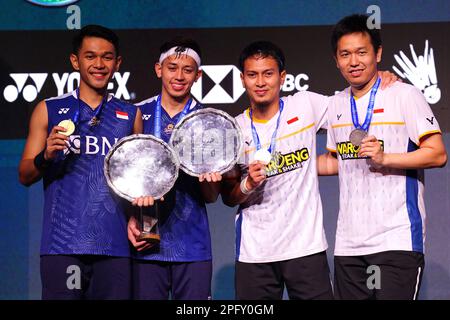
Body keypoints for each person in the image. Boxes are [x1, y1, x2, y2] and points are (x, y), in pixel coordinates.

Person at [220, 41, 398, 300]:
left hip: (306, 249)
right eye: (252, 74)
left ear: (282, 77)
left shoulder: (305, 105)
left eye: (268, 73)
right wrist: (248, 184)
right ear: (242, 79)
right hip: (255, 252)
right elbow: (228, 196)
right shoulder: (233, 129)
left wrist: (377, 78)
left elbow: (350, 105)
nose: (260, 82)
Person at [321, 14, 447, 300]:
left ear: (377, 53)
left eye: (362, 52)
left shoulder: (405, 95)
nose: (354, 61)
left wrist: (385, 158)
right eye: (345, 54)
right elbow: (334, 161)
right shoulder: (336, 104)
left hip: (397, 239)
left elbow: (438, 154)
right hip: (349, 245)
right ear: (336, 60)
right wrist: (280, 166)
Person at [18, 25, 142, 300]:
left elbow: (139, 182)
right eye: (90, 56)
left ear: (117, 63)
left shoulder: (130, 115)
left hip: (115, 247)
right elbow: (25, 174)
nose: (99, 64)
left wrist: (142, 220)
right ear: (75, 61)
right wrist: (46, 156)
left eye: (107, 57)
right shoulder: (48, 109)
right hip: (63, 246)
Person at [127, 37, 221, 300]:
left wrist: (210, 180)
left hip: (193, 245)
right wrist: (129, 219)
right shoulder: (136, 114)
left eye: (187, 70)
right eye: (172, 67)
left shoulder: (208, 120)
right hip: (146, 240)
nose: (179, 76)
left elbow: (212, 196)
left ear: (198, 75)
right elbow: (124, 178)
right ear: (159, 69)